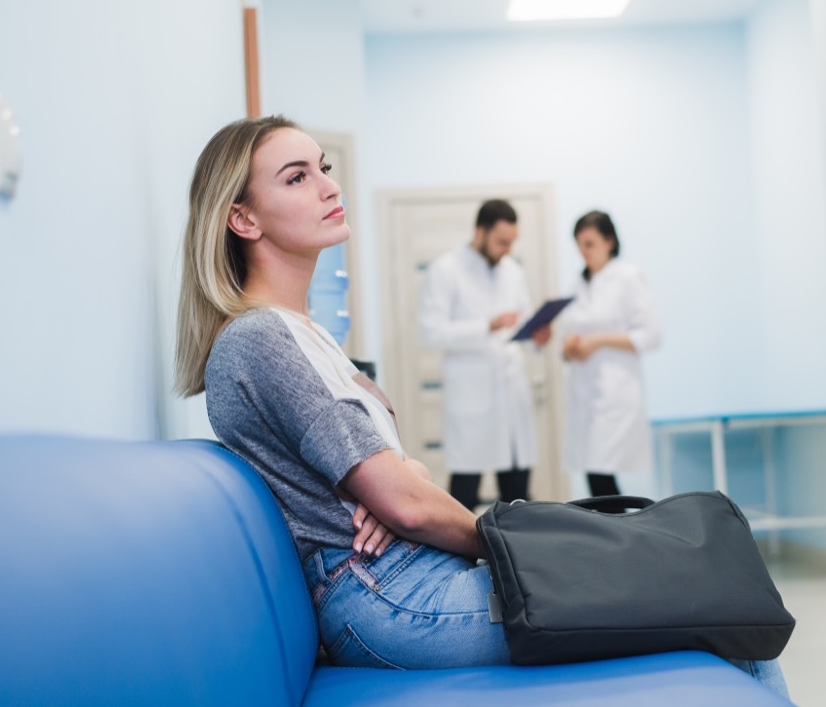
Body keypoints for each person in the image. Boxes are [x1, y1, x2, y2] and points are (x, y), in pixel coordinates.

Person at [173, 116, 788, 694]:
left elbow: (399, 475)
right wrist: (518, 547)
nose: (328, 185)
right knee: (713, 607)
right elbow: (405, 502)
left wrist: (397, 484)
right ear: (244, 220)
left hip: (410, 575)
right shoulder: (263, 339)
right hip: (390, 597)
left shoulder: (306, 335)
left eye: (323, 166)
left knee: (721, 602)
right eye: (297, 177)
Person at [417, 199, 551, 511]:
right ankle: (462, 559)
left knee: (517, 496)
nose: (508, 249)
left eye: (512, 242)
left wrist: (537, 335)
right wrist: (486, 326)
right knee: (464, 497)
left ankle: (520, 559)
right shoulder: (445, 270)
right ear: (480, 232)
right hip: (472, 399)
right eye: (502, 241)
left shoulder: (512, 272)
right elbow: (430, 332)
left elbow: (522, 324)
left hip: (511, 397)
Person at [561, 210, 660, 498]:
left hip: (615, 393)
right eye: (579, 244)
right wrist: (569, 348)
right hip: (585, 393)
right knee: (596, 478)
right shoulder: (578, 285)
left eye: (589, 243)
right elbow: (570, 335)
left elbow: (652, 335)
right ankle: (618, 537)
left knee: (602, 478)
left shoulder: (628, 278)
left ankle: (622, 537)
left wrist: (598, 340)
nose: (583, 252)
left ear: (609, 241)